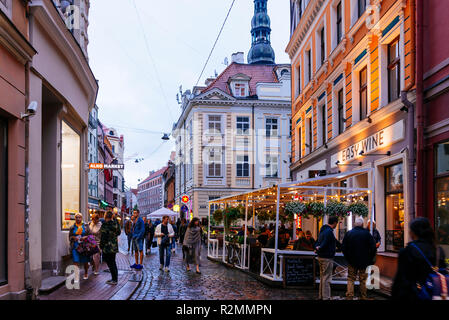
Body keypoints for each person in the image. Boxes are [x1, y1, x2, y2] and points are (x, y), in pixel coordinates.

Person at [392, 217, 447, 300]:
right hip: (435, 294)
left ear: (413, 233)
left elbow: (401, 282)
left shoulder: (408, 251)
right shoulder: (439, 250)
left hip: (414, 294)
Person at [342, 217, 377, 300]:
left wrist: (348, 258)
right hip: (364, 261)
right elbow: (373, 248)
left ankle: (349, 296)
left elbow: (343, 248)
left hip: (352, 261)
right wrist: (370, 259)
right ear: (362, 224)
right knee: (363, 280)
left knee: (351, 279)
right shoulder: (367, 234)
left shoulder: (349, 233)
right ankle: (363, 296)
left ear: (355, 224)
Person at [315, 216, 340, 300]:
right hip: (327, 257)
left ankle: (321, 296)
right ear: (335, 223)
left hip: (320, 257)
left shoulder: (323, 230)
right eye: (337, 223)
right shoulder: (329, 232)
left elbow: (318, 241)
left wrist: (317, 248)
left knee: (323, 277)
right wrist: (320, 247)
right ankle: (326, 297)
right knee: (327, 278)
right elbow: (325, 243)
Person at [100, 211, 121, 285]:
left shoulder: (105, 225)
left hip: (107, 247)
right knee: (113, 262)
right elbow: (119, 232)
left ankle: (114, 279)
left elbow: (103, 236)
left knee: (110, 263)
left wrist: (101, 246)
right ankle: (114, 278)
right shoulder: (116, 223)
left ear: (105, 216)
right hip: (114, 246)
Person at [69, 213, 90, 280]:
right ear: (75, 219)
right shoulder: (72, 227)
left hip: (84, 246)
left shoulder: (86, 226)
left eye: (79, 217)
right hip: (75, 246)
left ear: (81, 218)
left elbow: (90, 235)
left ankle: (86, 272)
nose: (78, 219)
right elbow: (70, 237)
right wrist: (73, 238)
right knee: (75, 260)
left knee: (85, 260)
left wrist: (85, 237)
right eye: (77, 217)